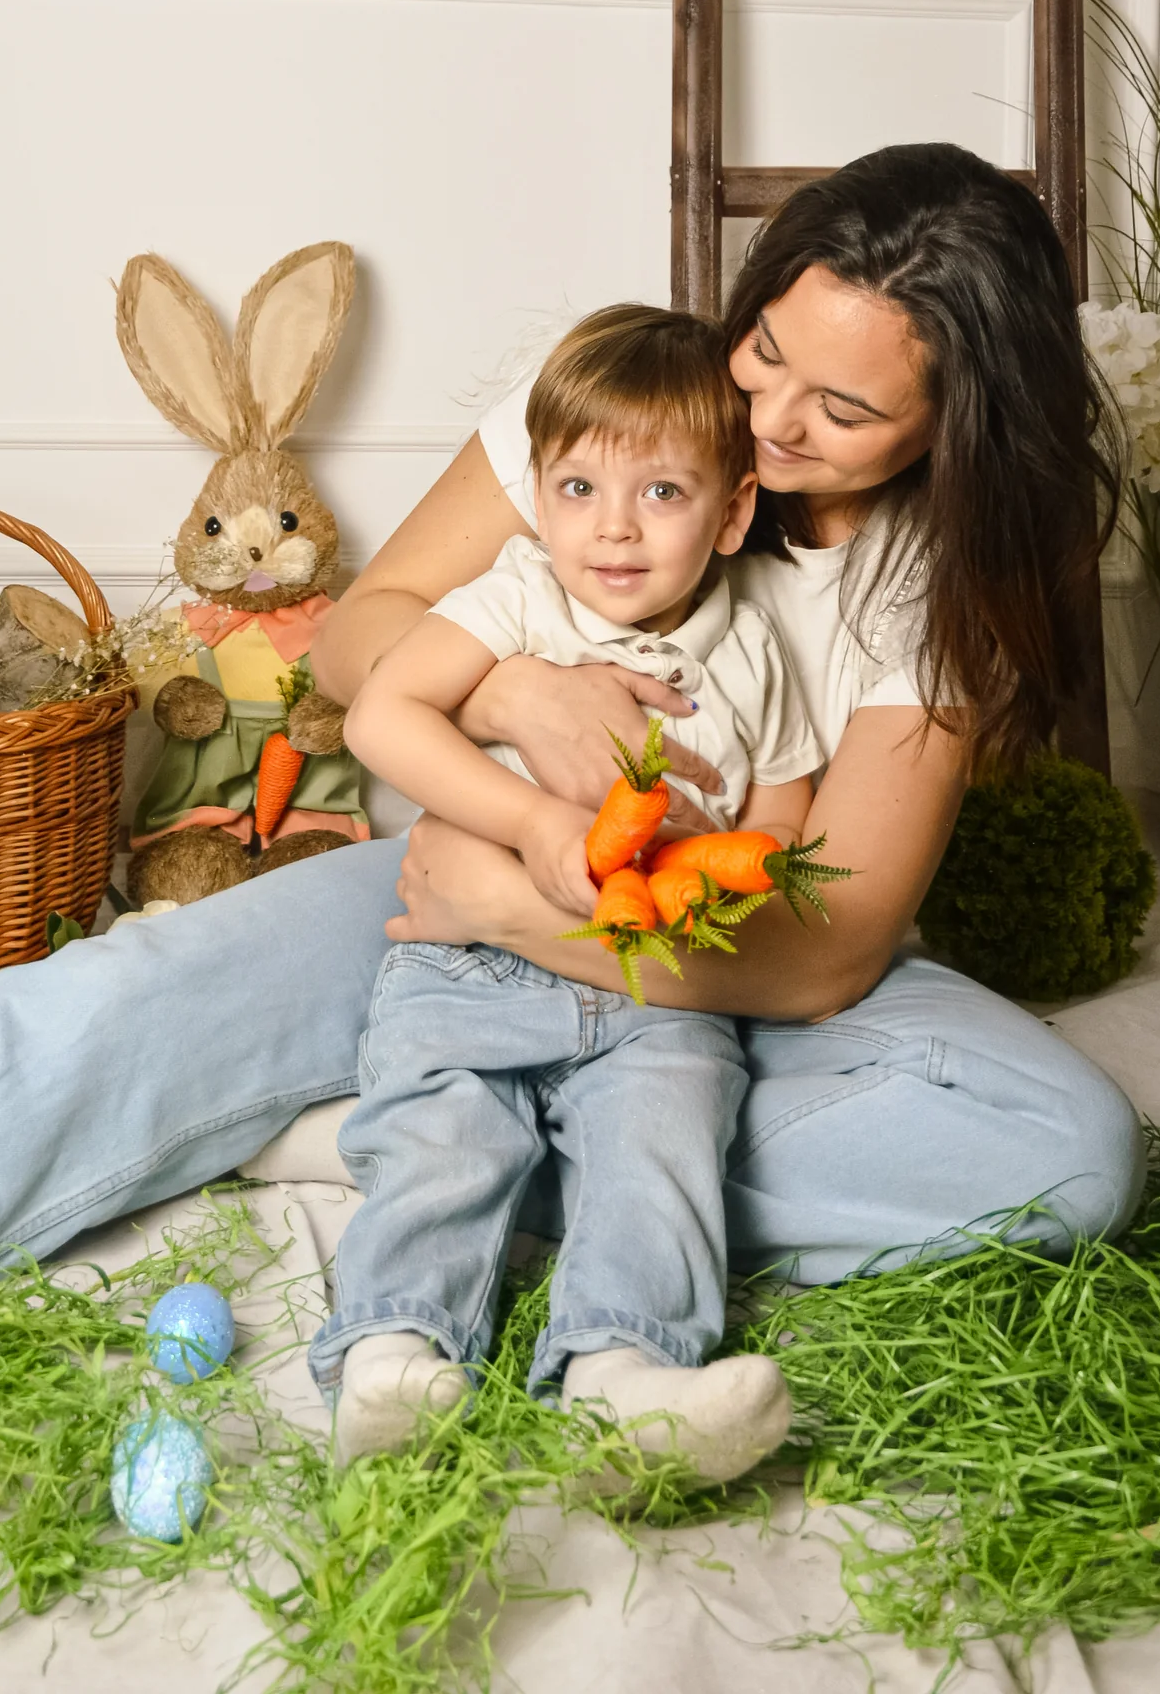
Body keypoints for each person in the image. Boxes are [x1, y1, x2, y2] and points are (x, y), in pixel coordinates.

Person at [0, 146, 1143, 1338]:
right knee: (90, 1025)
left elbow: (826, 952)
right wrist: (514, 705)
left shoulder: (944, 579)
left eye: (843, 413)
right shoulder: (623, 406)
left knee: (1066, 1154)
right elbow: (374, 632)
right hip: (433, 901)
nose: (774, 421)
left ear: (956, 427)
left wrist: (520, 902)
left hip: (702, 968)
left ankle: (429, 1132)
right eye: (768, 352)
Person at [313, 303, 820, 1472]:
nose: (615, 530)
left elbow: (785, 804)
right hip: (470, 953)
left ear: (735, 509)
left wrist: (732, 879)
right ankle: (394, 1362)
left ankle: (626, 1376)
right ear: (536, 494)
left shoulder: (752, 646)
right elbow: (383, 712)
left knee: (664, 1151)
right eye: (578, 488)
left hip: (652, 987)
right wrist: (532, 817)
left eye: (663, 493)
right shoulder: (516, 600)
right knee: (440, 1139)